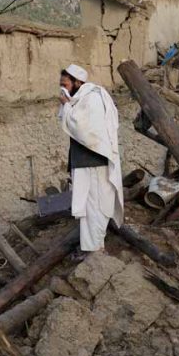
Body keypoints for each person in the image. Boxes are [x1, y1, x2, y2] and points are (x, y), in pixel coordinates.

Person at [57, 64, 124, 253]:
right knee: (87, 207)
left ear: (78, 82)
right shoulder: (80, 99)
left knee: (96, 206)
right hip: (85, 163)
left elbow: (84, 129)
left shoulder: (93, 98)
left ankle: (96, 248)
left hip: (94, 163)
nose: (63, 88)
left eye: (66, 84)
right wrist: (68, 104)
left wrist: (67, 105)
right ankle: (92, 248)